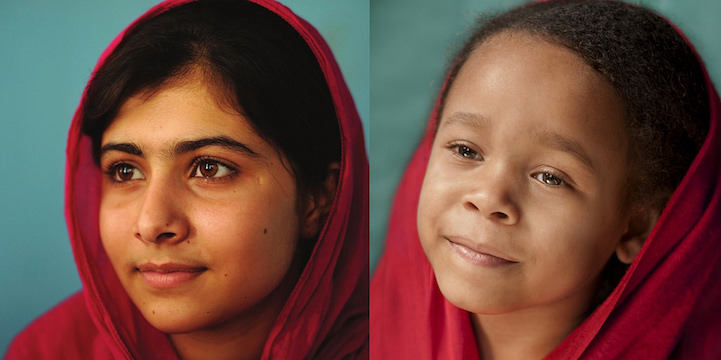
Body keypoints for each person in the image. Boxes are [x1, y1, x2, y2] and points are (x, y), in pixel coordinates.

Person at [5, 0, 368, 359]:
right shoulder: (48, 350)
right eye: (125, 170)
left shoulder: (397, 341)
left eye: (210, 168)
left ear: (318, 198)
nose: (151, 224)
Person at [371, 1, 721, 359]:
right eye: (465, 150)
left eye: (550, 177)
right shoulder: (377, 333)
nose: (489, 198)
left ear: (637, 227)